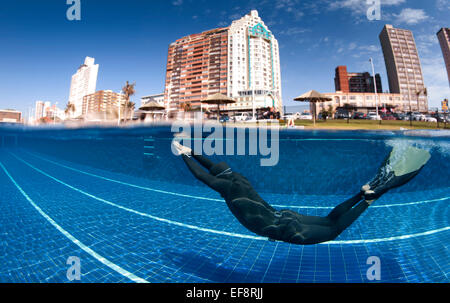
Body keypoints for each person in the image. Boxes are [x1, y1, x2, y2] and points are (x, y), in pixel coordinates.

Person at [173, 141, 430, 245]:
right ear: (226, 170)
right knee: (330, 219)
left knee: (334, 231)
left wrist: (182, 155)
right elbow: (209, 166)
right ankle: (361, 194)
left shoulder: (225, 188)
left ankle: (368, 200)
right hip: (281, 215)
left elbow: (200, 174)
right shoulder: (235, 177)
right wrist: (189, 149)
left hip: (281, 227)